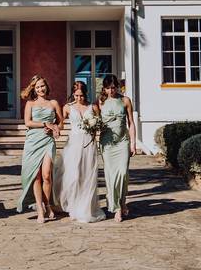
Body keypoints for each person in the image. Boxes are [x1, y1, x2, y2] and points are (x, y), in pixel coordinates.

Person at [53, 81, 105, 223]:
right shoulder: (68, 107)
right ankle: (72, 205)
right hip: (74, 144)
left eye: (81, 95)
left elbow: (99, 124)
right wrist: (55, 129)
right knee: (72, 175)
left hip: (88, 144)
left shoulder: (92, 107)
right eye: (76, 95)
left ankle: (85, 207)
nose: (79, 98)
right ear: (73, 94)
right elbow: (61, 123)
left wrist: (95, 130)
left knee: (87, 175)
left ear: (85, 94)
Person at [16, 75, 62, 222]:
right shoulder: (30, 104)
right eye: (37, 87)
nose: (40, 89)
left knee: (47, 175)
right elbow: (27, 122)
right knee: (35, 177)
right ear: (34, 90)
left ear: (46, 86)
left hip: (48, 141)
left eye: (42, 86)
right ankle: (40, 209)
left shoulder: (53, 103)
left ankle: (47, 205)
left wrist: (56, 128)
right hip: (33, 142)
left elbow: (61, 123)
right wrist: (45, 124)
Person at [95, 74, 136, 221]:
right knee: (111, 176)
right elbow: (96, 121)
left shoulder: (125, 100)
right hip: (107, 143)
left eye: (113, 88)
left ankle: (122, 201)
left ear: (117, 87)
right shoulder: (100, 102)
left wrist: (133, 143)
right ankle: (117, 207)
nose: (111, 91)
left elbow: (131, 123)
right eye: (108, 88)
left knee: (123, 173)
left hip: (122, 141)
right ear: (104, 88)